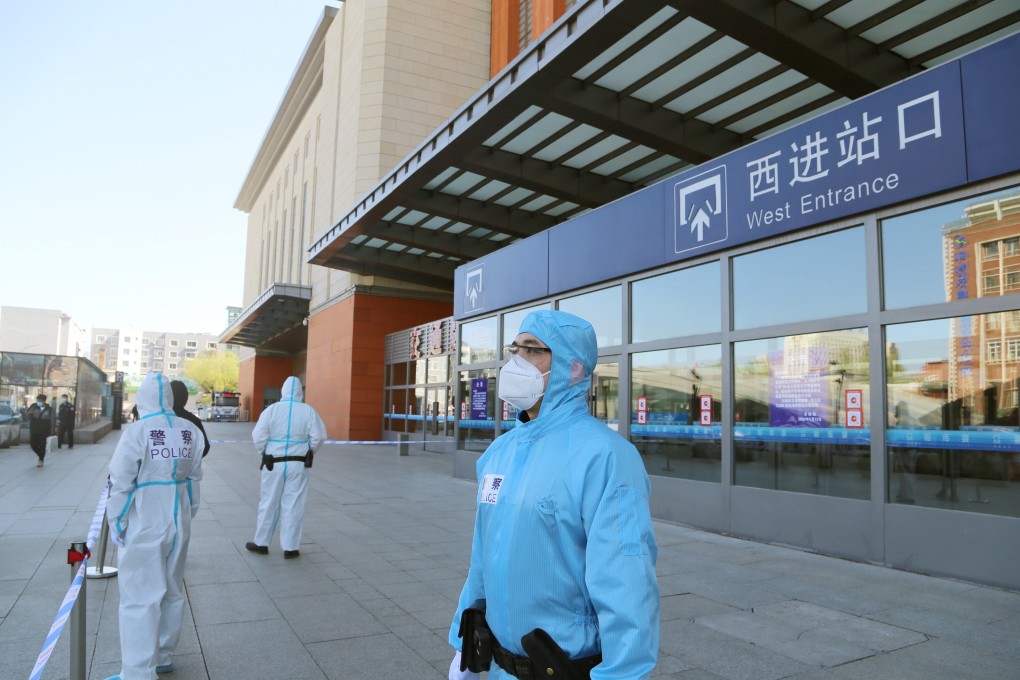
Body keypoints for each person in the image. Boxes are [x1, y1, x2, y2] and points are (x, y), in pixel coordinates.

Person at [447, 311, 659, 680]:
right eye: (515, 349)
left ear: (574, 369)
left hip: (563, 669)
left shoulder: (605, 457)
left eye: (533, 351)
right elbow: (483, 557)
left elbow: (626, 583)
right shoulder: (499, 453)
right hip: (499, 668)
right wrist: (462, 645)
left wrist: (622, 674)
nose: (517, 361)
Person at [104, 372, 205, 680]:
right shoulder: (189, 430)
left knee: (139, 594)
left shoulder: (138, 431)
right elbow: (195, 479)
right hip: (179, 514)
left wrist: (117, 519)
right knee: (172, 589)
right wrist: (188, 515)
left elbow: (121, 481)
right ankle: (162, 655)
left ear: (143, 398)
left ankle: (136, 673)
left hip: (146, 517)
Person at [246, 376, 326, 558]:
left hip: (273, 462)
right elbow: (319, 436)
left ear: (283, 391)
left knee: (268, 502)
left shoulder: (271, 410)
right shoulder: (308, 411)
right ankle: (290, 548)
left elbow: (258, 435)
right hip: (298, 463)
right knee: (294, 504)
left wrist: (263, 452)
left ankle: (261, 543)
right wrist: (310, 451)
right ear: (300, 391)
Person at [170, 380, 211, 458]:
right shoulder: (194, 420)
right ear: (185, 397)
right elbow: (205, 447)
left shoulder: (156, 420)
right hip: (187, 468)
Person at [26, 393, 54, 467]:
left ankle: (41, 460)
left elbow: (52, 420)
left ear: (44, 401)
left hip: (44, 429)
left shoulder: (49, 409)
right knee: (33, 444)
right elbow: (27, 416)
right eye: (37, 400)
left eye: (40, 401)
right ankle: (40, 455)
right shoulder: (33, 406)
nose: (38, 402)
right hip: (34, 428)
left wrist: (52, 430)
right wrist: (30, 413)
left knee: (42, 444)